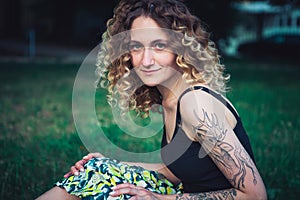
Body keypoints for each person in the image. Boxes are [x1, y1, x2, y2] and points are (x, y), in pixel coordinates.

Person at [37, 0, 267, 199]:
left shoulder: (196, 105)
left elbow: (255, 195)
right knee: (94, 170)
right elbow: (178, 171)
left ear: (180, 49)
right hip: (186, 191)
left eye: (159, 45)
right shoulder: (169, 100)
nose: (146, 60)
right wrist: (112, 164)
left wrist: (158, 198)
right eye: (137, 47)